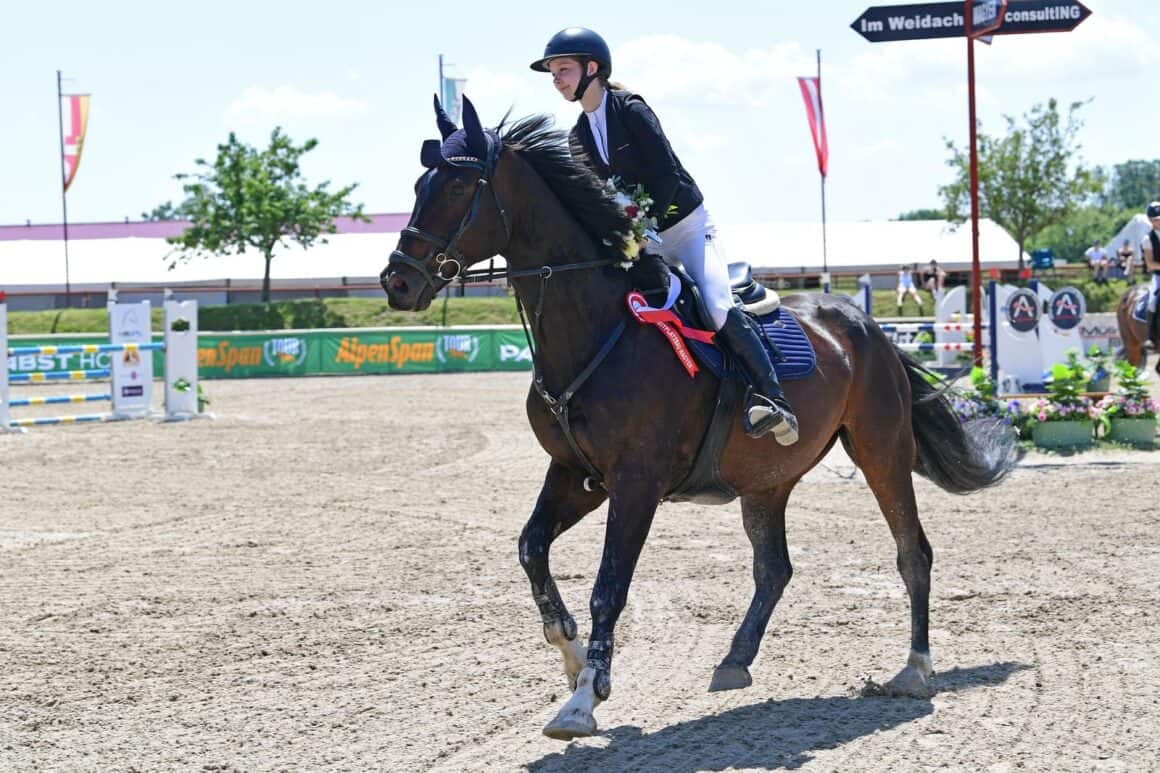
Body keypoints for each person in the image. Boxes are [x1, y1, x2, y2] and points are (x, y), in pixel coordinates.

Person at [530, 27, 797, 445]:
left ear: (592, 68)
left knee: (715, 304)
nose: (557, 79)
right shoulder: (577, 136)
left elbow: (666, 176)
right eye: (553, 73)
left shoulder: (630, 110)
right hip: (645, 241)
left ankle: (773, 398)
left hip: (687, 229)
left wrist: (641, 226)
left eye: (563, 69)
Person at [1140, 201, 1160, 345]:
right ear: (1151, 221)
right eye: (1156, 219)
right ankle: (1149, 337)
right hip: (1159, 276)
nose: (1159, 221)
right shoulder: (1148, 239)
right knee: (1152, 302)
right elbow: (1150, 264)